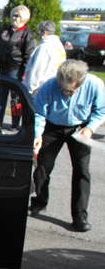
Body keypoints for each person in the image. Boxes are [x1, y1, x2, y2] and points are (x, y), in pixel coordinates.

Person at [31, 59, 105, 232]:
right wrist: (38, 135)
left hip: (80, 127)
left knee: (82, 171)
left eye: (70, 90)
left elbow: (100, 111)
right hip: (52, 126)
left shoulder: (95, 85)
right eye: (62, 89)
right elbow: (39, 112)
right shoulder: (49, 85)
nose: (65, 93)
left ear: (80, 82)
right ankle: (39, 201)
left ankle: (80, 217)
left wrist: (90, 128)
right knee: (42, 167)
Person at [0, 5, 35, 128]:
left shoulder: (27, 34)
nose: (15, 18)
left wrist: (25, 73)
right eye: (14, 15)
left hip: (16, 70)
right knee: (1, 96)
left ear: (24, 18)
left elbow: (28, 55)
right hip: (2, 68)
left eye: (18, 16)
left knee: (15, 99)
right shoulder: (5, 31)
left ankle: (15, 124)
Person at [23, 20, 66, 94]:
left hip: (40, 88)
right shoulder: (58, 45)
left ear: (44, 32)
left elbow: (37, 69)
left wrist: (31, 88)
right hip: (53, 85)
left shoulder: (44, 47)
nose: (38, 34)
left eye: (39, 31)